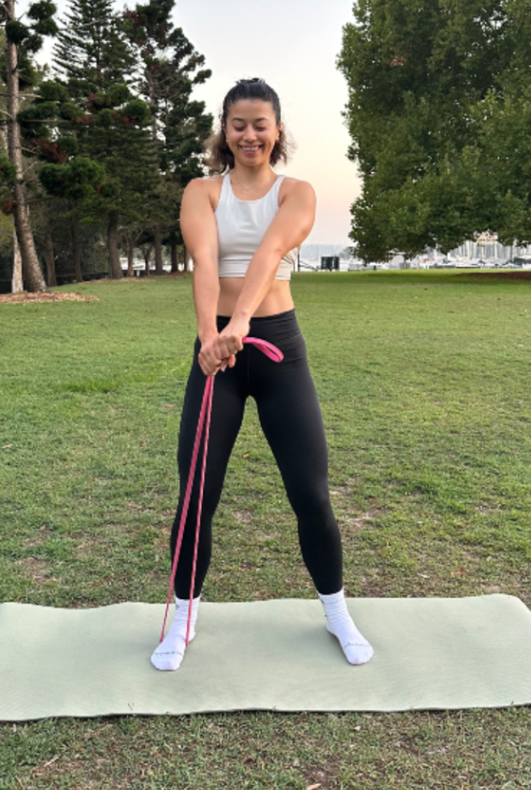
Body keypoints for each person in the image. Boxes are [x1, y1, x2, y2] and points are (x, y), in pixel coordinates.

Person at [151, 78, 373, 671]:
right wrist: (210, 338)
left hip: (277, 346)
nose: (249, 135)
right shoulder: (202, 191)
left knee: (311, 493)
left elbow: (270, 254)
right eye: (238, 125)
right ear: (224, 131)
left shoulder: (296, 193)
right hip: (215, 354)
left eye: (260, 125)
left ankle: (337, 612)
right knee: (196, 495)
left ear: (277, 131)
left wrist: (240, 323)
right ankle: (182, 618)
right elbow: (204, 261)